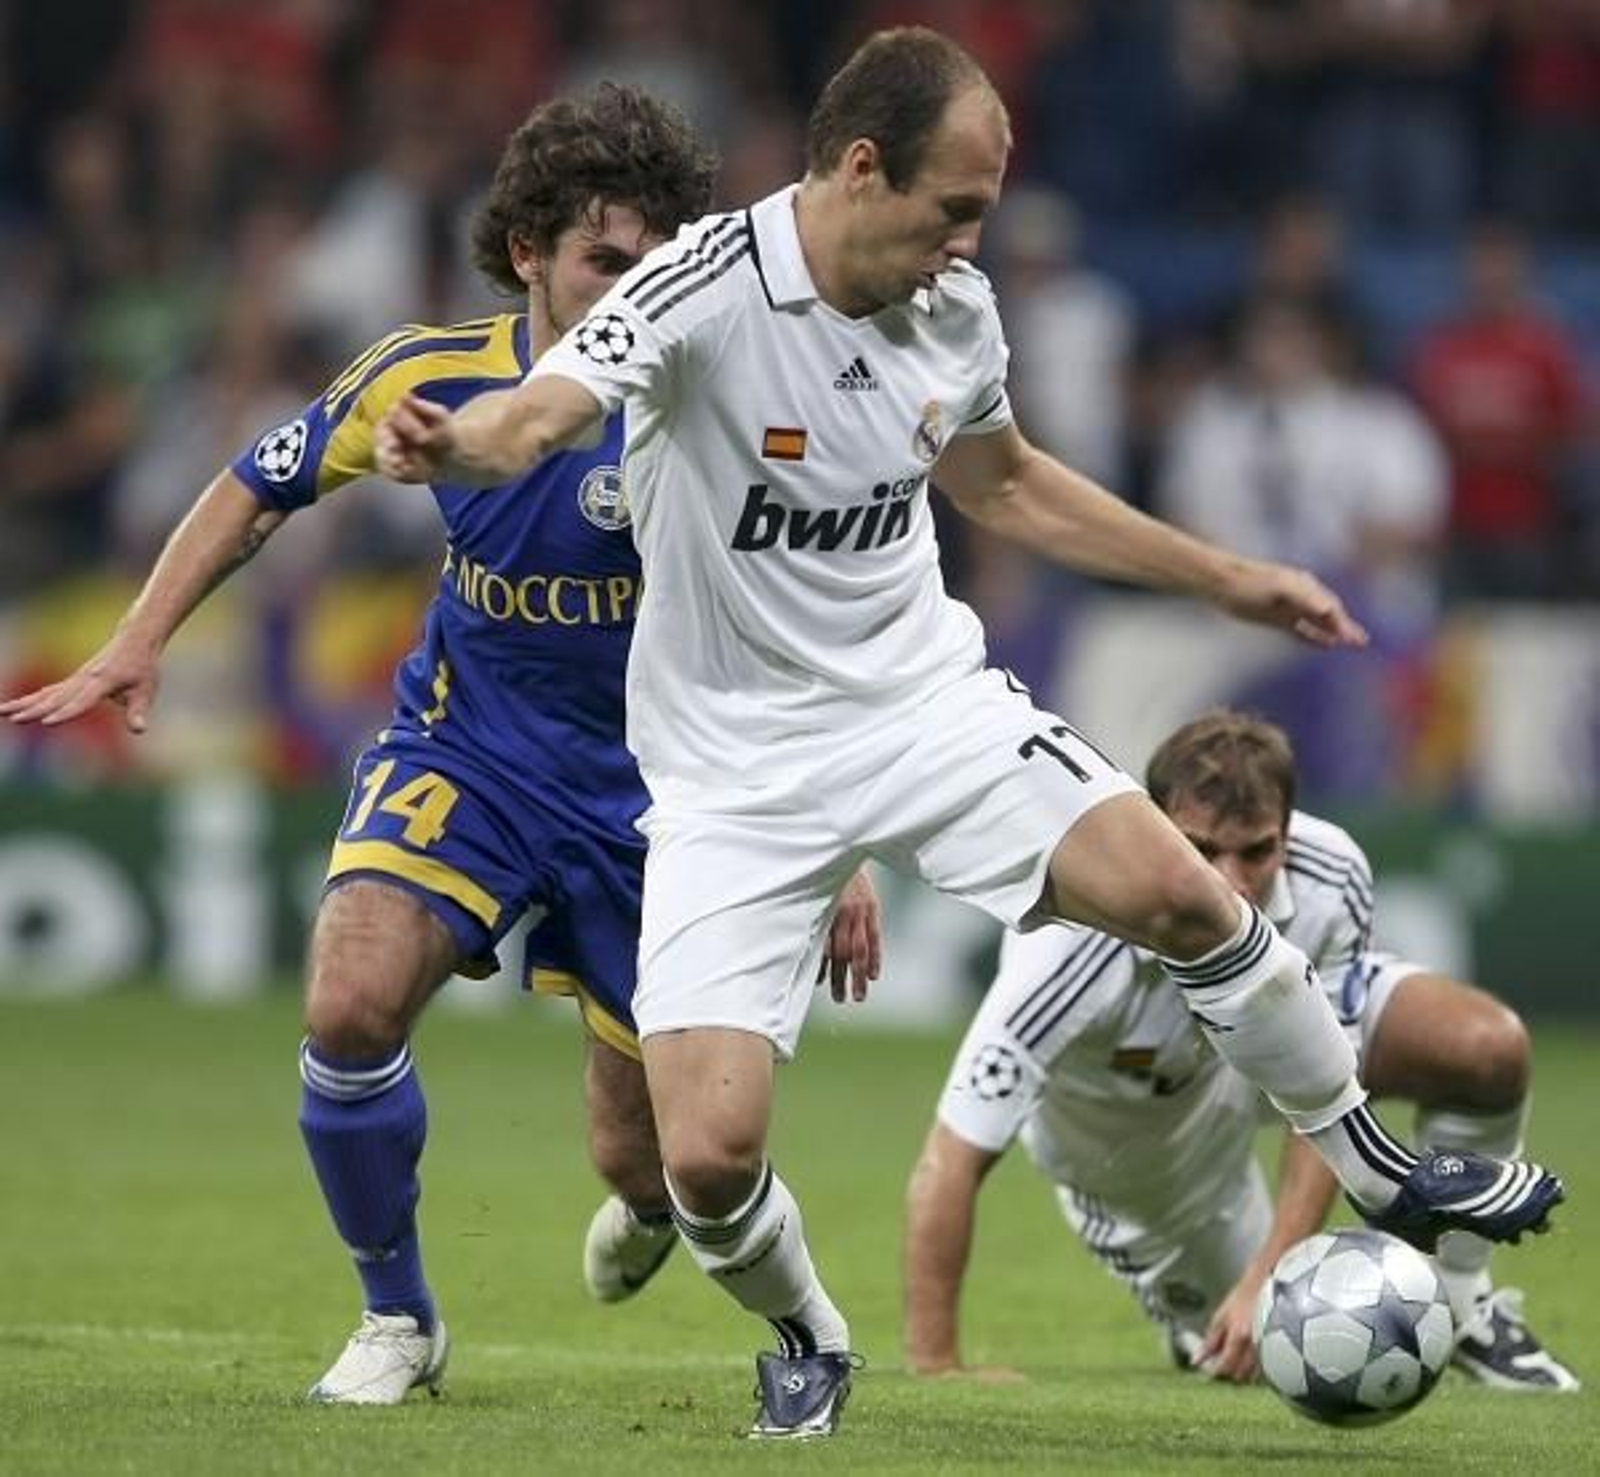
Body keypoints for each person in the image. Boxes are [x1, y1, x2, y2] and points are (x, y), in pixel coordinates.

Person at [371, 28, 1563, 1439]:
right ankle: (809, 1335)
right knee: (705, 1161)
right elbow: (541, 413)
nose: (968, 242)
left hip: (924, 706)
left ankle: (1375, 1167)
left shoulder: (952, 311)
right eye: (954, 207)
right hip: (733, 771)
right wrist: (456, 443)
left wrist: (1226, 578)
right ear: (860, 168)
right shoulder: (700, 285)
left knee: (1184, 895)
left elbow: (1008, 486)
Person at [0, 83, 883, 1406]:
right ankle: (398, 1317)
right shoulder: (429, 372)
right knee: (349, 997)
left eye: (657, 264)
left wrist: (840, 838)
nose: (636, 292)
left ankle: (672, 1218)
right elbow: (260, 481)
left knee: (643, 1155)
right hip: (470, 748)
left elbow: (813, 618)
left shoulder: (718, 400)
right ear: (527, 250)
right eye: (604, 262)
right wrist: (140, 636)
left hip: (666, 797)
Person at [903, 710, 1580, 1394]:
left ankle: (1459, 1301)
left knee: (1485, 1047)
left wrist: (1272, 1271)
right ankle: (1191, 1310)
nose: (1231, 883)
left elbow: (1330, 1088)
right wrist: (937, 1363)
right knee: (1265, 1349)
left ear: (1287, 831)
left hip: (1272, 1027)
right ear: (1153, 826)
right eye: (1200, 850)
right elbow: (951, 1155)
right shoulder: (1068, 946)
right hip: (1143, 1155)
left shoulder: (1330, 873)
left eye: (1257, 851)